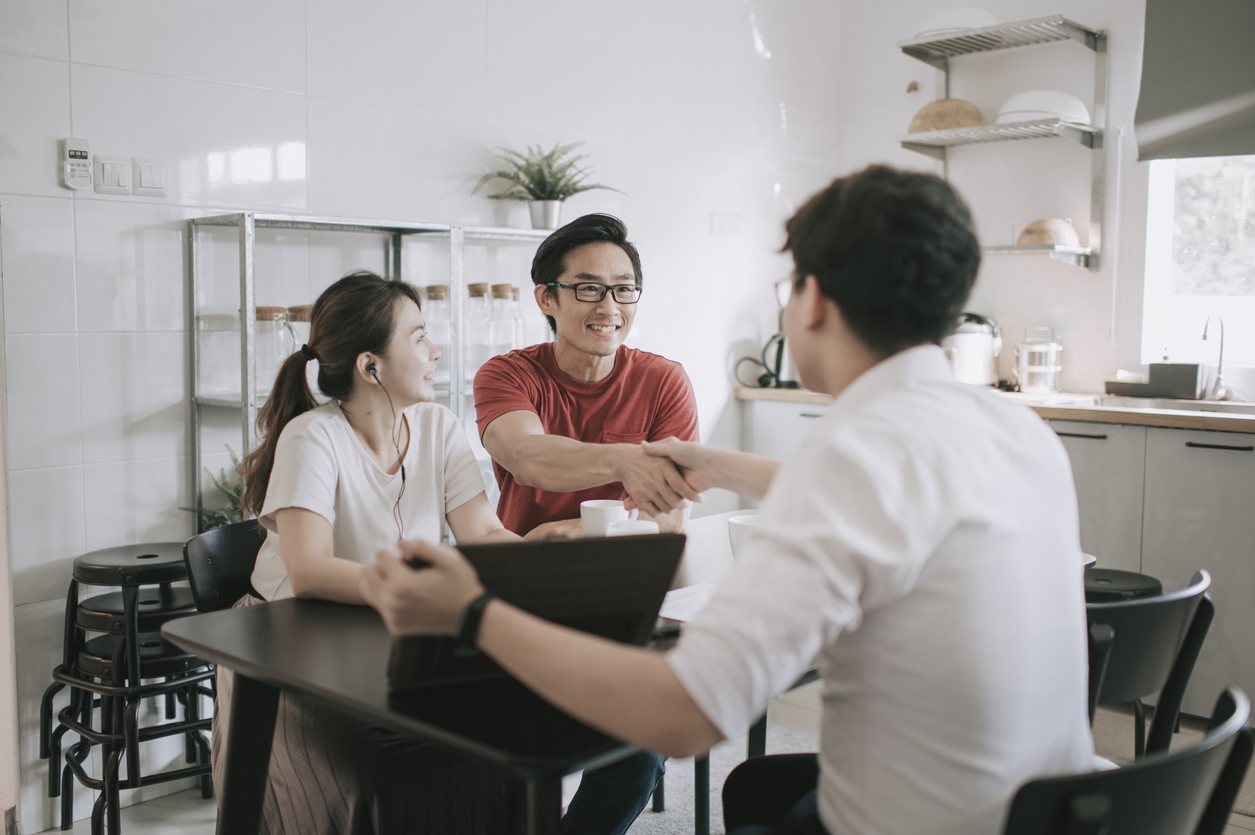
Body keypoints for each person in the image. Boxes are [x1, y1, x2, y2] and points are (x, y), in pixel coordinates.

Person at [361, 166, 1096, 835]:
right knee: (754, 790)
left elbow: (681, 716)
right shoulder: (1016, 429)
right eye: (588, 288)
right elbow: (895, 496)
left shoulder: (853, 454)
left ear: (812, 300)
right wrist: (713, 465)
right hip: (1044, 811)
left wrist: (470, 612)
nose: (607, 304)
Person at [217, 271, 655, 835]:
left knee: (500, 745)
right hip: (289, 640)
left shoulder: (437, 426)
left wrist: (544, 554)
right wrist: (421, 590)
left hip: (390, 625)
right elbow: (308, 572)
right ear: (371, 366)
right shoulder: (312, 437)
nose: (436, 351)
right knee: (397, 766)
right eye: (419, 337)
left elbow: (484, 535)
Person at [473, 214, 702, 541]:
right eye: (589, 289)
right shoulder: (507, 375)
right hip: (527, 567)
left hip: (628, 567)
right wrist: (628, 461)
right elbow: (525, 456)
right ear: (547, 298)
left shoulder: (664, 381)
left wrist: (569, 532)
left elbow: (672, 513)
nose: (609, 308)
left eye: (623, 289)